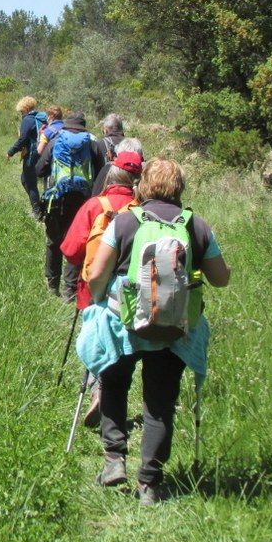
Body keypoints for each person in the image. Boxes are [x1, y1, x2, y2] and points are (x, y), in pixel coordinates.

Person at [80, 158, 230, 505]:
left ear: (143, 186)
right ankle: (149, 483)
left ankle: (114, 460)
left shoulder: (125, 222)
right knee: (160, 403)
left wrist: (102, 302)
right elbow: (221, 280)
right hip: (175, 327)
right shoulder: (197, 226)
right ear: (180, 188)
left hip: (125, 322)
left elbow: (97, 273)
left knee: (114, 383)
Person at [60, 143, 144, 428]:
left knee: (96, 336)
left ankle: (97, 390)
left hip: (92, 288)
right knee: (125, 342)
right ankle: (113, 391)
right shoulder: (142, 211)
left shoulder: (95, 205)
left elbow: (70, 250)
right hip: (130, 291)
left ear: (112, 173)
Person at [35, 110, 105, 301]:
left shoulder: (56, 140)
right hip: (83, 201)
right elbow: (102, 175)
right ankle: (69, 290)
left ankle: (52, 285)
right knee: (78, 243)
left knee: (53, 241)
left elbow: (39, 170)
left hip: (56, 198)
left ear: (66, 125)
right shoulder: (93, 144)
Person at [6, 95, 43, 218]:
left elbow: (23, 139)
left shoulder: (28, 120)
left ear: (26, 109)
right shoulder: (40, 118)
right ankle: (38, 206)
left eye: (21, 111)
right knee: (26, 179)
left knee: (29, 182)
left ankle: (37, 212)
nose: (21, 114)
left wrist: (10, 152)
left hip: (32, 154)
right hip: (42, 153)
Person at [91, 114, 127, 195]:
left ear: (106, 129)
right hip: (127, 193)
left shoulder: (98, 145)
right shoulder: (131, 144)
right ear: (121, 129)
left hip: (103, 193)